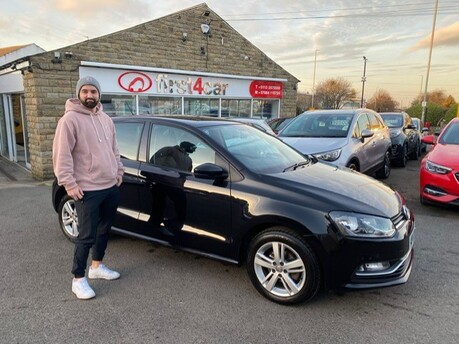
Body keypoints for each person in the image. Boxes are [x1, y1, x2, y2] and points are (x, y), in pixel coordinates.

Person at [52, 76, 124, 300]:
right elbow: (61, 156)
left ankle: (97, 266)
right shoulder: (69, 120)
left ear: (99, 94)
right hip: (87, 189)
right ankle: (78, 278)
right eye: (85, 91)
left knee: (105, 229)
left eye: (93, 91)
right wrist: (69, 184)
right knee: (86, 235)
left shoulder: (106, 119)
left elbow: (114, 149)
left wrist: (118, 171)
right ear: (78, 94)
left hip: (109, 185)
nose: (89, 95)